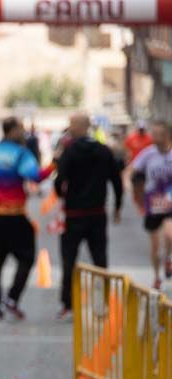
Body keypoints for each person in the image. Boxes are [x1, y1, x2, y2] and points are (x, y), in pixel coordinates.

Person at [0, 116, 55, 319]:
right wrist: (54, 165)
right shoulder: (20, 153)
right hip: (14, 214)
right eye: (21, 129)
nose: (24, 132)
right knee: (27, 256)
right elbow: (35, 176)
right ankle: (12, 298)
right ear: (12, 131)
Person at [54, 112, 124, 316]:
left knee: (69, 260)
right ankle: (103, 304)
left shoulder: (70, 151)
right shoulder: (103, 151)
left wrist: (61, 196)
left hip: (74, 213)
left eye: (71, 124)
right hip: (97, 213)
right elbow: (116, 181)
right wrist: (117, 206)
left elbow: (59, 180)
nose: (69, 127)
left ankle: (68, 304)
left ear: (79, 126)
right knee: (100, 259)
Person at [129, 121, 172, 290]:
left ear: (168, 135)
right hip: (152, 203)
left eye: (159, 134)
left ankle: (168, 259)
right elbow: (133, 172)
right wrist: (136, 193)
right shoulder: (148, 154)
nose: (155, 138)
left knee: (169, 235)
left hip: (170, 203)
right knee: (155, 245)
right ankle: (156, 276)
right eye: (153, 134)